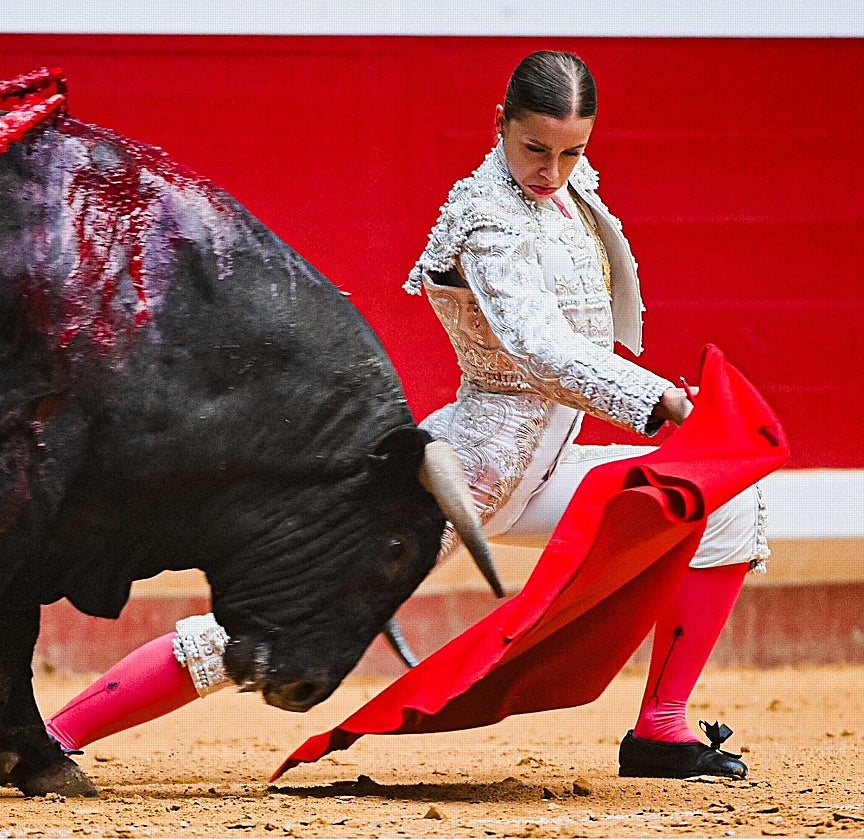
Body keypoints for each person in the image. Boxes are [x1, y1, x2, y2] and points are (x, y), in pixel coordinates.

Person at [39, 50, 768, 781]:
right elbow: (536, 348)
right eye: (535, 149)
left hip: (545, 472)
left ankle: (661, 731)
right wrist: (661, 399)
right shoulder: (484, 217)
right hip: (456, 477)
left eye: (572, 151)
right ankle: (55, 734)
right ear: (500, 125)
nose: (552, 170)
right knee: (261, 627)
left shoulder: (569, 197)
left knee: (730, 502)